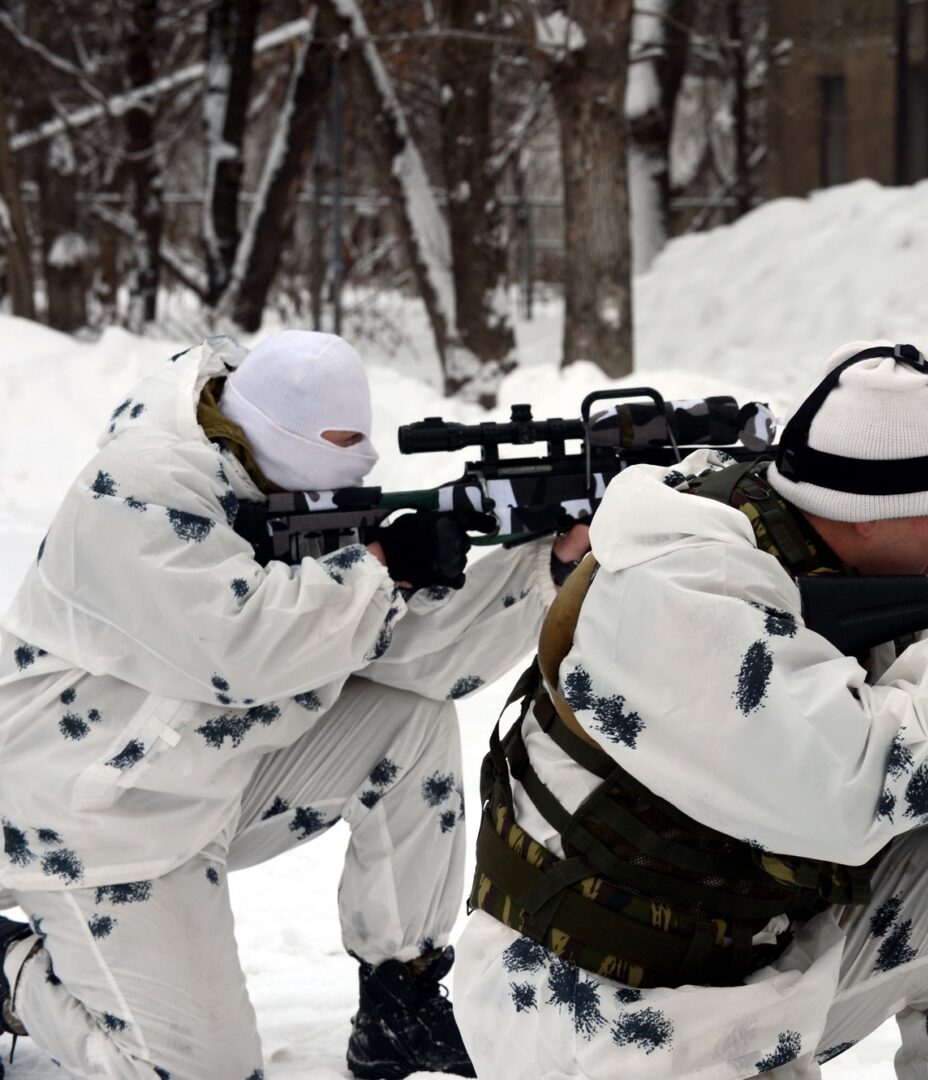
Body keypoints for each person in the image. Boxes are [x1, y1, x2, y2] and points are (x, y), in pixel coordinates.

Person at [451, 341, 928, 1078]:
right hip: (593, 1022)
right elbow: (849, 796)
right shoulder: (687, 588)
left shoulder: (824, 559)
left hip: (731, 978)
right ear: (867, 508)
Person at [0, 331, 571, 1080]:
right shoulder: (136, 488)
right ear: (273, 436)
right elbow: (236, 643)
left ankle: (397, 1002)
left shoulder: (275, 488)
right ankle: (12, 971)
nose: (348, 471)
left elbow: (411, 658)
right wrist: (378, 570)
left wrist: (546, 568)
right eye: (333, 451)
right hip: (84, 815)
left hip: (198, 783)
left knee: (408, 721)